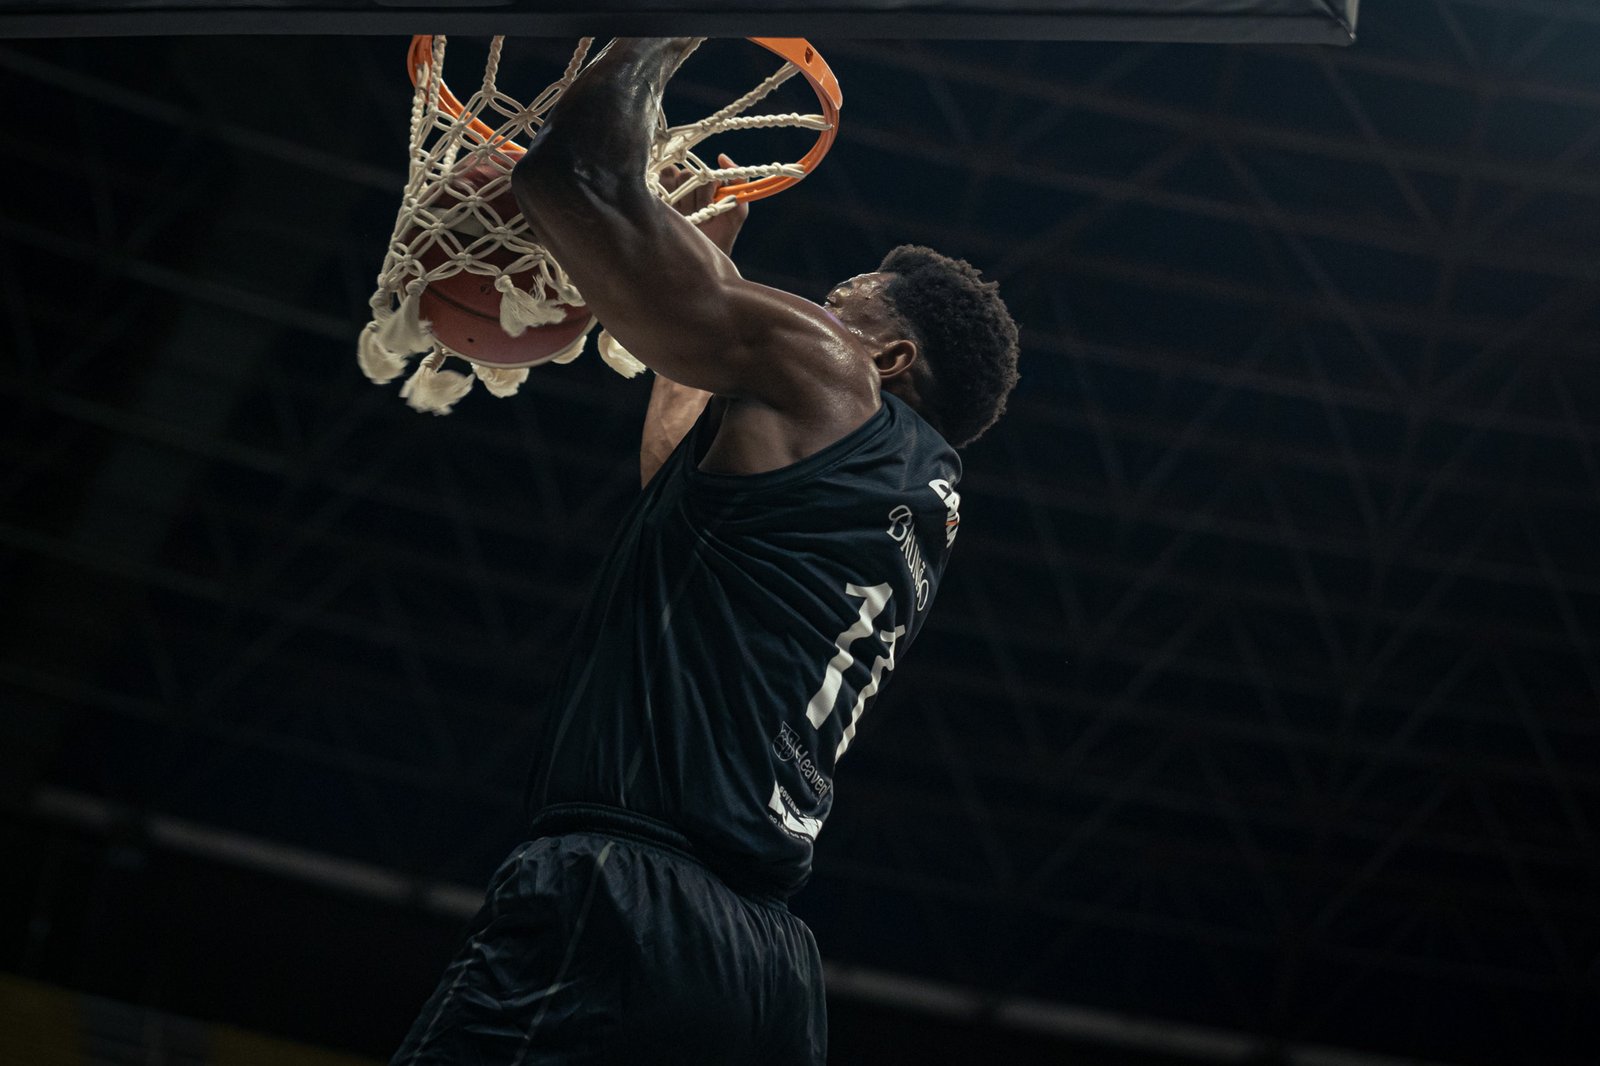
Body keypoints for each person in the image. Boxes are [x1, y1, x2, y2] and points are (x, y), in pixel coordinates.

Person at [391, 37, 1020, 1066]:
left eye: (840, 303)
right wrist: (698, 251)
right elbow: (674, 475)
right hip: (764, 972)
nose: (814, 314)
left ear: (888, 355)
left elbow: (566, 175)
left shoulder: (830, 376)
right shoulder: (914, 501)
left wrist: (662, 33)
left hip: (625, 894)